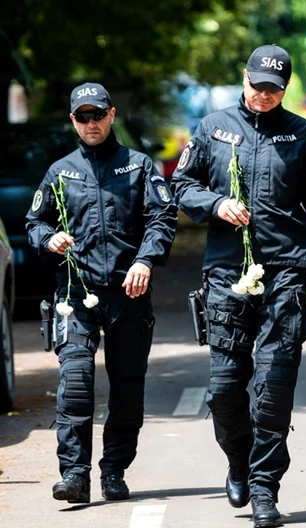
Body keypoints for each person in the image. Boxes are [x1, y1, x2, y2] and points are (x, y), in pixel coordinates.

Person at [171, 44, 306, 528]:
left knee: (271, 390)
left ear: (284, 88)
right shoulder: (212, 128)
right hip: (227, 273)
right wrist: (214, 204)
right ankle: (238, 462)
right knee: (224, 390)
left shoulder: (301, 134)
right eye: (256, 86)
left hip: (285, 274)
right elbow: (181, 187)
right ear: (243, 79)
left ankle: (266, 490)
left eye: (273, 89)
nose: (263, 95)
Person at [26, 82, 178, 503]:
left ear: (112, 115)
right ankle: (74, 475)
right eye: (82, 116)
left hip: (129, 295)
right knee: (75, 382)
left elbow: (162, 218)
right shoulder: (60, 171)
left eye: (98, 115)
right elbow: (35, 222)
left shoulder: (138, 166)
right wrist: (48, 238)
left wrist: (145, 260)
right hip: (75, 295)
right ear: (72, 120)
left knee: (127, 388)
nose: (91, 123)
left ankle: (114, 470)